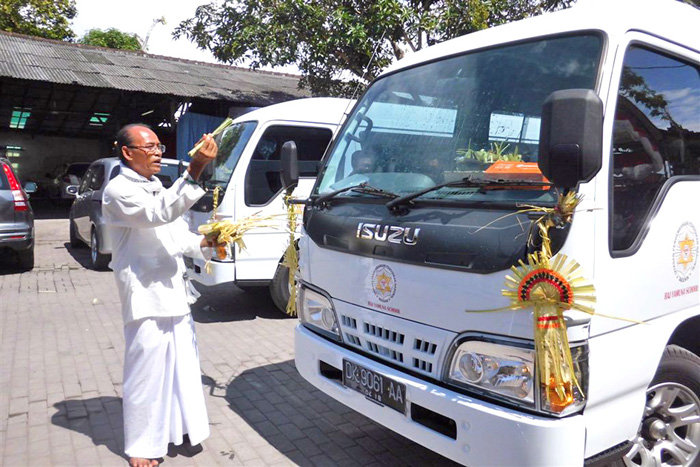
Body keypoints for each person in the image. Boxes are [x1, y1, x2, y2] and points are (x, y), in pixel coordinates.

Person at [102, 123, 218, 467]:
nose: (157, 153)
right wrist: (195, 169)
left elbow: (177, 235)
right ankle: (141, 445)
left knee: (182, 367)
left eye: (159, 148)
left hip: (174, 292)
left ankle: (177, 429)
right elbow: (158, 214)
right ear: (127, 152)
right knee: (146, 373)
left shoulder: (157, 186)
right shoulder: (118, 191)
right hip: (145, 296)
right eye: (149, 147)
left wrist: (209, 244)